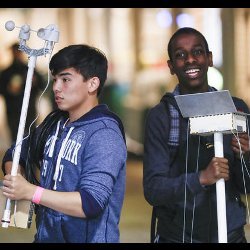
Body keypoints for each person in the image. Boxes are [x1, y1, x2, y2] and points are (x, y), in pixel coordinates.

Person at [1, 44, 127, 243]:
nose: (56, 87)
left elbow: (90, 203)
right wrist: (16, 177)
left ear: (92, 84)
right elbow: (15, 153)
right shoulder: (54, 123)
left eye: (66, 79)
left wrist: (31, 191)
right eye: (55, 79)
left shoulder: (104, 133)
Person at [143, 27, 250, 243]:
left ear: (209, 59)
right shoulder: (162, 116)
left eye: (198, 52)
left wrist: (243, 157)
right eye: (180, 55)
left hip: (230, 236)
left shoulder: (235, 108)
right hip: (177, 236)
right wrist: (201, 178)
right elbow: (153, 190)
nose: (190, 59)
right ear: (171, 66)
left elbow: (245, 185)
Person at [0, 42, 45, 143]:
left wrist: (34, 82)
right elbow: (2, 90)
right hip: (13, 111)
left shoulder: (30, 69)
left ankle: (30, 157)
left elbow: (41, 86)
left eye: (19, 52)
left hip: (29, 110)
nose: (16, 54)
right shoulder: (6, 72)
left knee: (30, 136)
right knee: (15, 138)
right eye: (15, 52)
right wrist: (9, 90)